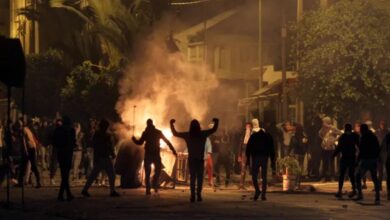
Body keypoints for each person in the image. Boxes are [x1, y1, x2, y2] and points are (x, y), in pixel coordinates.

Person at [170, 118, 219, 202]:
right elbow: (214, 129)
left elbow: (175, 133)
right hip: (200, 159)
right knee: (200, 178)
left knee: (192, 178)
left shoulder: (188, 135)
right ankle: (199, 195)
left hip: (192, 160)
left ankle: (192, 195)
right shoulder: (203, 134)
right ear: (199, 126)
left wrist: (171, 123)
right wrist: (216, 121)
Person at [132, 119, 177, 195]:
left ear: (147, 124)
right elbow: (167, 141)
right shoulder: (156, 132)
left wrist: (134, 140)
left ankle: (150, 186)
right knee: (156, 170)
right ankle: (152, 185)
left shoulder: (147, 133)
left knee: (151, 171)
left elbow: (139, 142)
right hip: (154, 154)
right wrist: (173, 150)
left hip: (151, 154)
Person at [82, 119, 119, 197]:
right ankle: (112, 191)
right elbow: (108, 146)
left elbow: (97, 145)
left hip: (101, 157)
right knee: (109, 174)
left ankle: (85, 190)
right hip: (103, 157)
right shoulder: (104, 135)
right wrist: (112, 154)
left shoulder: (98, 134)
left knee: (98, 174)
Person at [246, 121, 276, 201]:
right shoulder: (268, 136)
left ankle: (257, 191)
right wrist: (273, 162)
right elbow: (272, 150)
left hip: (256, 158)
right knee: (264, 177)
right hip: (264, 158)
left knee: (254, 176)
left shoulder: (253, 136)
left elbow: (248, 149)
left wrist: (248, 160)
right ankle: (263, 194)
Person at [354, 124, 381, 204]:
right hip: (373, 160)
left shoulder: (363, 137)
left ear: (363, 130)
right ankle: (377, 197)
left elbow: (362, 150)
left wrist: (358, 160)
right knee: (374, 178)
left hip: (365, 160)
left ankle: (360, 195)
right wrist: (377, 158)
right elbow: (377, 148)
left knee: (358, 176)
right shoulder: (373, 136)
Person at [333, 124, 359, 198]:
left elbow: (339, 147)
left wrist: (333, 155)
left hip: (345, 157)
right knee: (351, 174)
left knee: (342, 175)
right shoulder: (354, 135)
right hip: (351, 157)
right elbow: (359, 145)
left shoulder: (343, 136)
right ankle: (354, 190)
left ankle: (340, 191)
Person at [53, 116, 75, 201]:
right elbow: (72, 142)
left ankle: (64, 194)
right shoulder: (71, 130)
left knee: (64, 174)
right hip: (67, 154)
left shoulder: (58, 130)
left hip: (61, 154)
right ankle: (64, 194)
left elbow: (54, 141)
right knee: (65, 175)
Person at [17, 119, 41, 188]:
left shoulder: (26, 129)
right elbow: (26, 140)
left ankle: (38, 182)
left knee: (28, 165)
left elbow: (26, 141)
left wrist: (26, 150)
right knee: (25, 166)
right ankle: (21, 182)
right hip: (30, 149)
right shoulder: (27, 129)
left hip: (29, 149)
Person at [319, 117, 342, 182]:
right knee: (324, 162)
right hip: (324, 147)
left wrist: (334, 139)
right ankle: (324, 177)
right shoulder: (323, 129)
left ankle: (332, 177)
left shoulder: (333, 128)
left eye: (324, 122)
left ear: (327, 122)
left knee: (331, 163)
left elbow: (340, 133)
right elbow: (319, 133)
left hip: (331, 148)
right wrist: (324, 139)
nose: (323, 123)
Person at [288, 123, 308, 187]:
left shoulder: (293, 136)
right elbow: (306, 145)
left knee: (296, 168)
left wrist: (288, 153)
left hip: (296, 153)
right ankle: (298, 182)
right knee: (300, 167)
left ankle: (296, 182)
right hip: (302, 153)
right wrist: (308, 152)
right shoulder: (304, 136)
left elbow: (290, 145)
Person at [376, 120, 388, 191]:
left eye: (383, 124)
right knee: (379, 170)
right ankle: (379, 186)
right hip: (380, 153)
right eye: (381, 124)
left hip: (386, 153)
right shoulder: (377, 132)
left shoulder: (388, 132)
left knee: (386, 171)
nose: (382, 125)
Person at [238, 123, 251, 190]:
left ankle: (258, 185)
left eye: (249, 126)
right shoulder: (243, 136)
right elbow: (240, 146)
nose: (248, 127)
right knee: (243, 169)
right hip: (244, 153)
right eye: (247, 126)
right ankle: (241, 184)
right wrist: (239, 155)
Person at [383, 132, 390, 200]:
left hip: (389, 158)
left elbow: (384, 147)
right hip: (389, 158)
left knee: (389, 176)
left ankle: (389, 193)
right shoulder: (387, 136)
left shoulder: (387, 136)